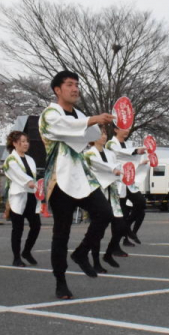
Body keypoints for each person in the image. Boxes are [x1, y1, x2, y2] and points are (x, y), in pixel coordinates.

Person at [38, 70, 114, 300]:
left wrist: (98, 122)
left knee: (104, 213)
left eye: (77, 85)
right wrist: (92, 120)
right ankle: (60, 281)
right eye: (69, 84)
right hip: (60, 178)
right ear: (57, 90)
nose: (75, 89)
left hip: (81, 176)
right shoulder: (50, 113)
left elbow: (90, 135)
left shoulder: (79, 113)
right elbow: (65, 128)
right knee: (61, 232)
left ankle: (81, 253)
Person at [84, 127, 129, 270]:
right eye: (100, 134)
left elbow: (117, 166)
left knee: (121, 226)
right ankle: (96, 262)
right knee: (98, 231)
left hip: (112, 193)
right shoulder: (89, 154)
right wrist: (112, 170)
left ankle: (108, 254)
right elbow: (100, 166)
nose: (103, 136)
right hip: (98, 194)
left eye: (104, 133)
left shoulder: (110, 153)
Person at [3, 130, 41, 267]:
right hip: (18, 197)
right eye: (22, 141)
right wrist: (29, 181)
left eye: (27, 141)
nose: (25, 144)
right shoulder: (10, 160)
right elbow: (17, 174)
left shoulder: (30, 159)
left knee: (36, 226)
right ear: (14, 143)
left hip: (31, 197)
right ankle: (16, 258)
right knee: (17, 229)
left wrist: (37, 186)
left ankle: (27, 251)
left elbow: (35, 179)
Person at [106, 127, 147, 245]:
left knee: (141, 203)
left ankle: (127, 228)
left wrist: (141, 158)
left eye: (127, 128)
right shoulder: (111, 144)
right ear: (115, 129)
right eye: (123, 128)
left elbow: (131, 160)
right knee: (120, 213)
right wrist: (136, 151)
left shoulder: (128, 144)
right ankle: (116, 245)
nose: (126, 130)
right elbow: (123, 155)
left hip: (128, 181)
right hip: (118, 182)